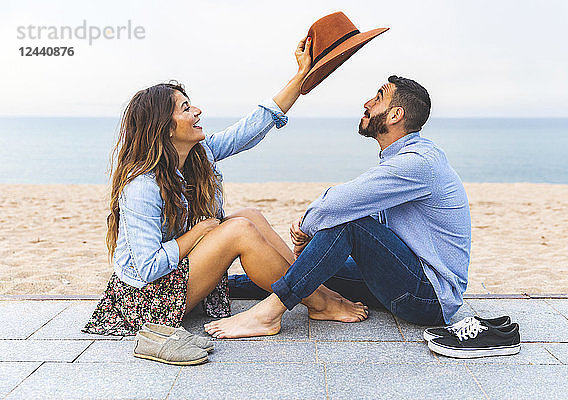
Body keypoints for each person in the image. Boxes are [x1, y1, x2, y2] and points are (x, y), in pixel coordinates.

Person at [83, 37, 368, 336]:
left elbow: (252, 127)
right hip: (145, 302)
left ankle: (316, 290)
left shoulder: (197, 156)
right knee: (239, 229)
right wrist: (197, 233)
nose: (197, 111)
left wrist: (300, 77)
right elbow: (147, 268)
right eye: (185, 108)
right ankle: (320, 303)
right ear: (165, 127)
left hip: (174, 284)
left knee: (250, 216)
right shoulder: (142, 187)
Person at [204, 75, 471, 339]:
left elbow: (337, 204)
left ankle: (268, 314)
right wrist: (316, 242)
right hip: (404, 276)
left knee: (347, 224)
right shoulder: (404, 157)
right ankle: (214, 290)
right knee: (312, 272)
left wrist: (307, 229)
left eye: (378, 98)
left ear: (395, 115)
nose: (366, 103)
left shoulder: (418, 162)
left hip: (427, 296)